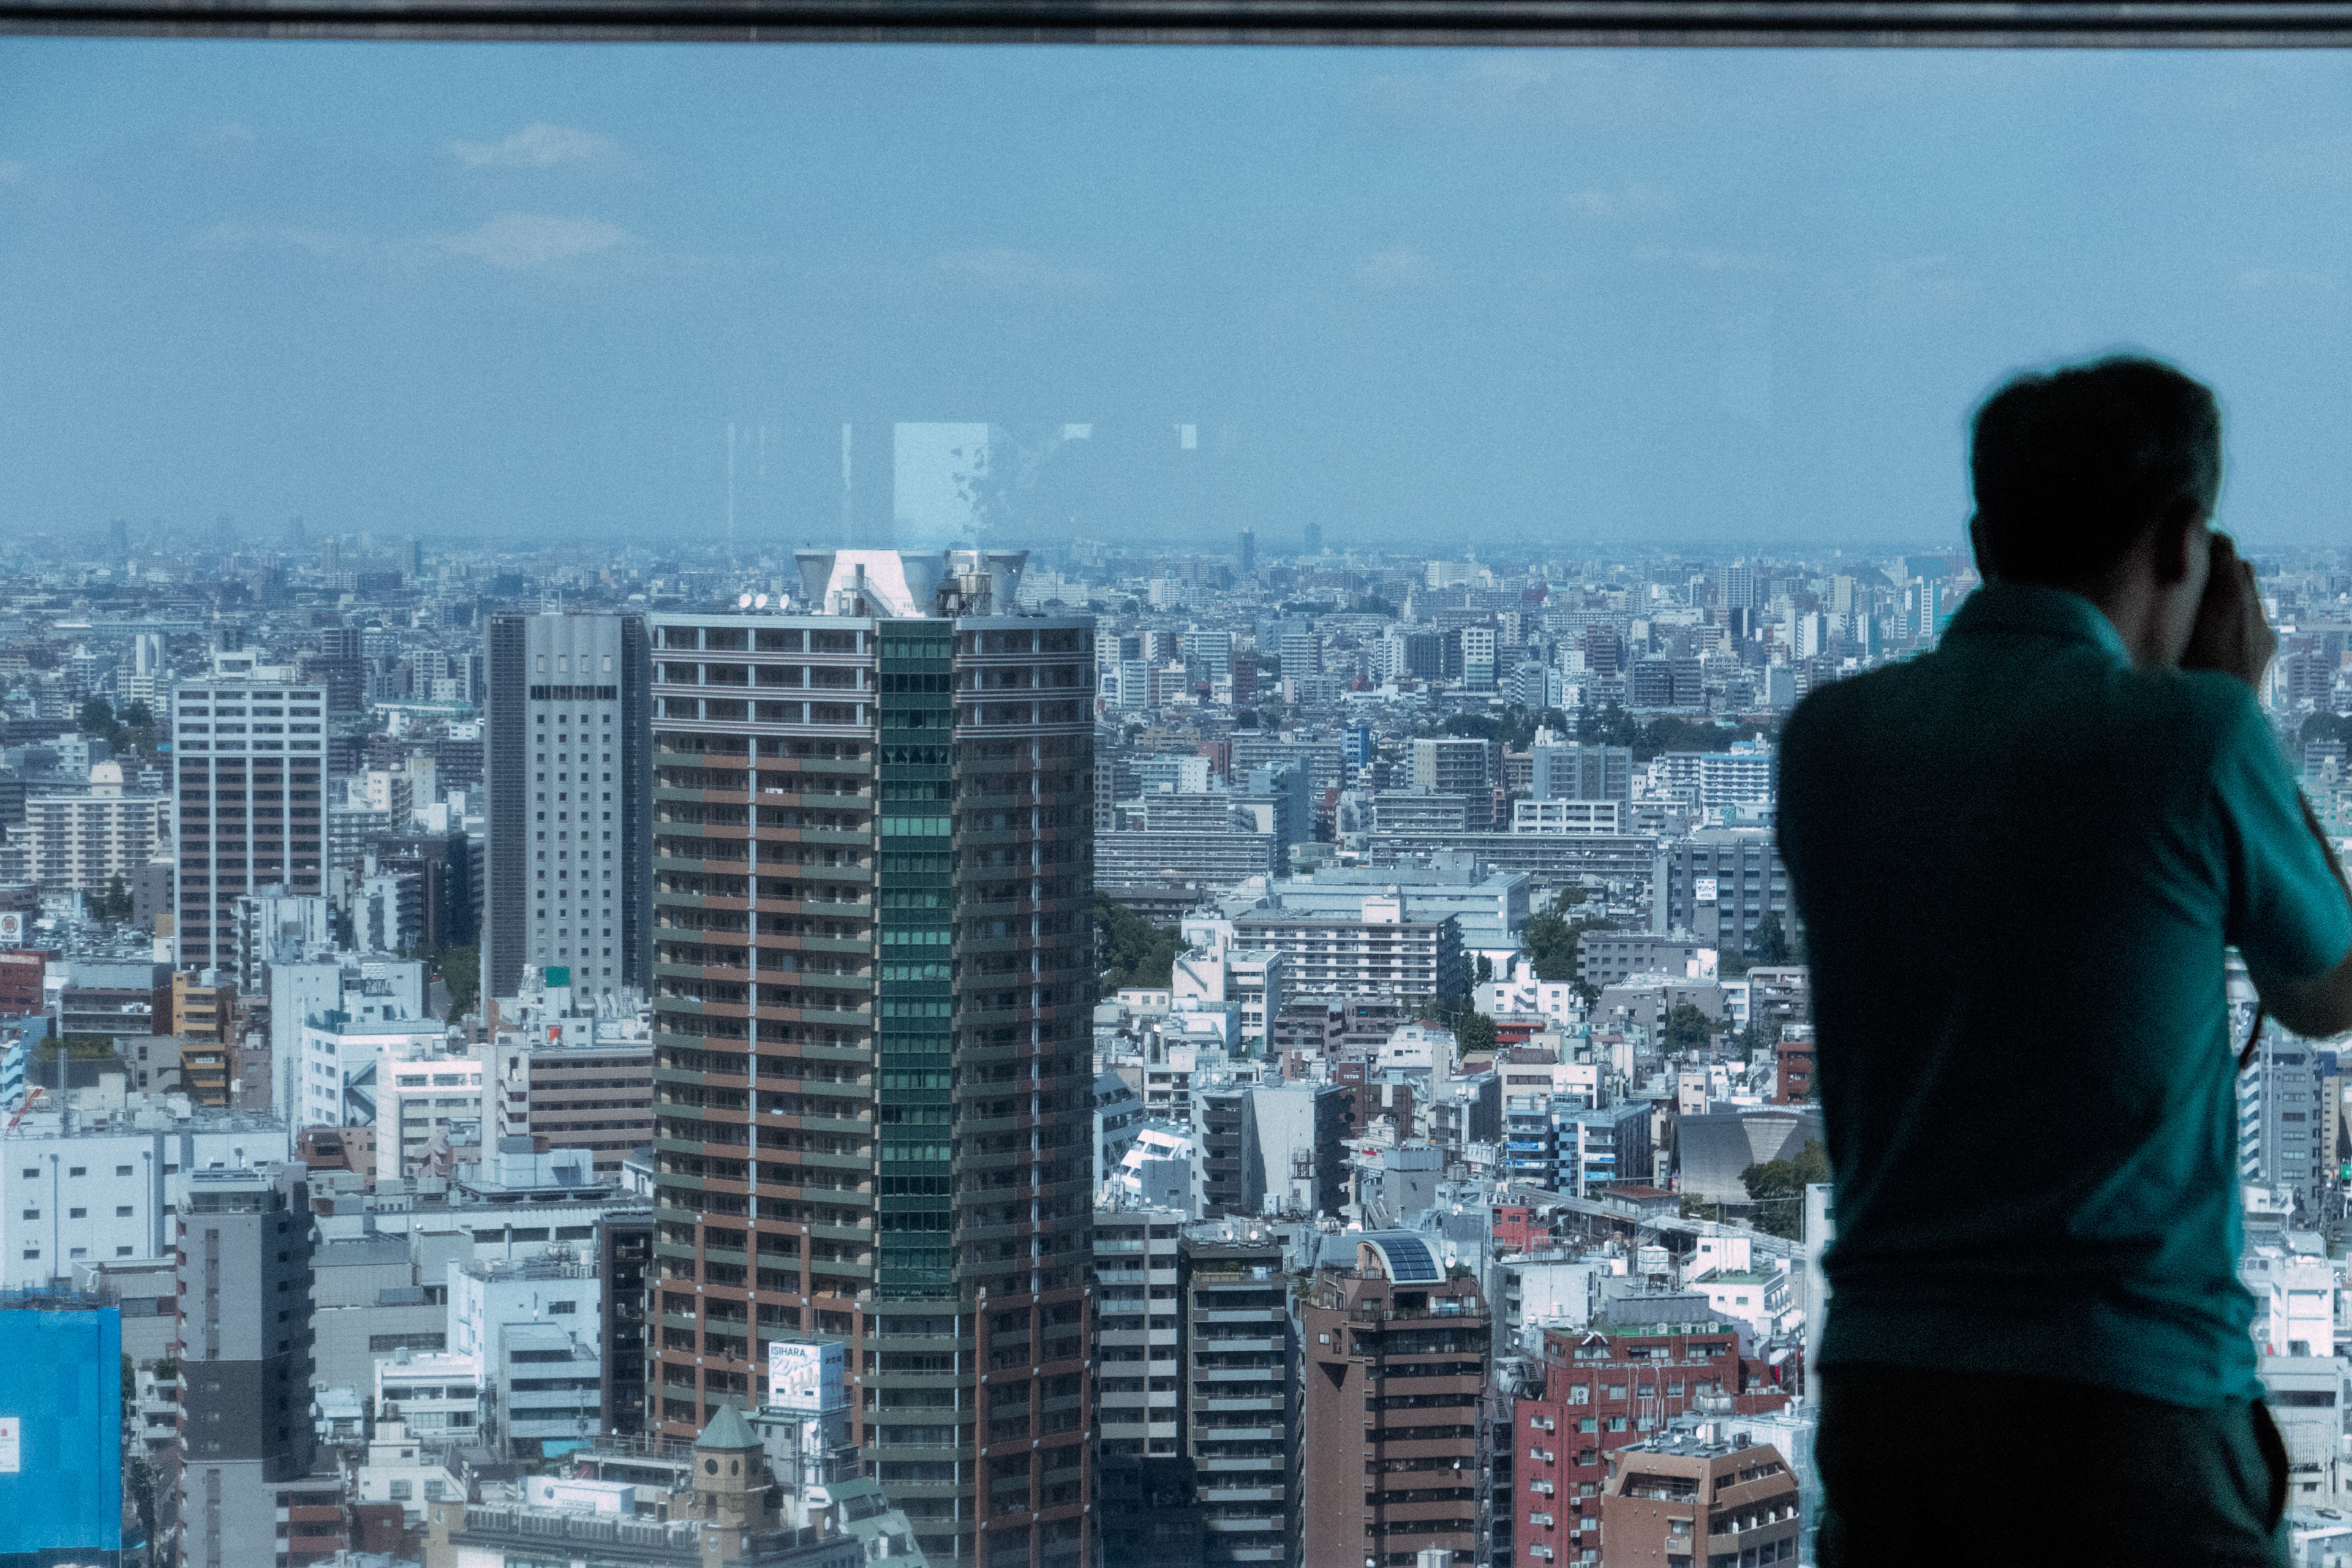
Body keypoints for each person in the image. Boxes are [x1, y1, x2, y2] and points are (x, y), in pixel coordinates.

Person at [1778, 355, 2352, 1567]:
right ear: (2186, 541)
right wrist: (2232, 697)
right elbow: (2328, 990)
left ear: (1983, 540)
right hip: (2132, 1401)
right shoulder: (2194, 738)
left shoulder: (1830, 742)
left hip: (1891, 1403)